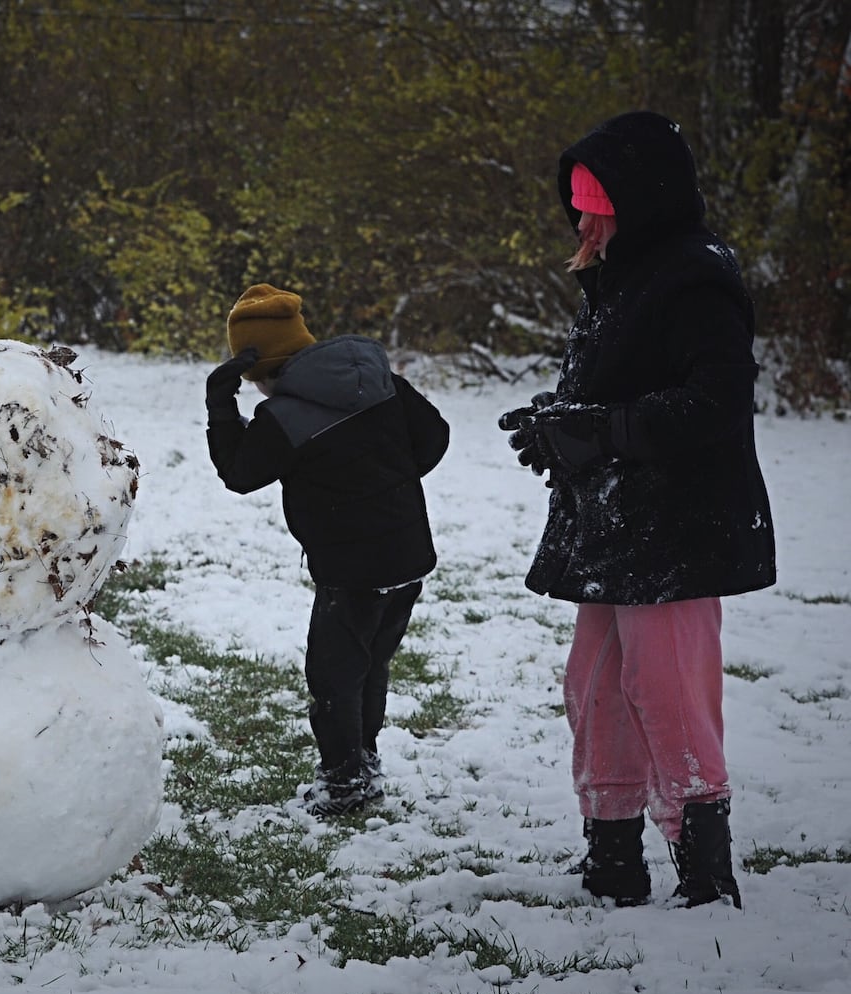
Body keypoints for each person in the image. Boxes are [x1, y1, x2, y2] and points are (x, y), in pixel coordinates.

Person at [500, 110, 775, 910]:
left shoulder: (694, 275)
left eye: (598, 205)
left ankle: (705, 868)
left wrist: (603, 432)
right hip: (621, 525)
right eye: (579, 204)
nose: (583, 221)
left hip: (678, 529)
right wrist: (562, 425)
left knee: (669, 691)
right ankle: (612, 856)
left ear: (642, 201)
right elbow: (626, 383)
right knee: (595, 687)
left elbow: (717, 401)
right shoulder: (624, 271)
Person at [204, 283, 449, 819]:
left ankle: (344, 783)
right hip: (408, 555)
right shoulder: (379, 379)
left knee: (335, 674)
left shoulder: (285, 418)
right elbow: (434, 436)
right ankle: (364, 759)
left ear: (254, 366)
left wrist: (220, 406)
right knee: (371, 662)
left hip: (349, 568)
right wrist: (388, 489)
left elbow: (240, 474)